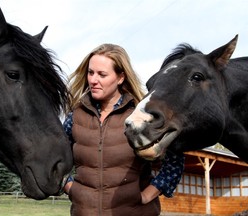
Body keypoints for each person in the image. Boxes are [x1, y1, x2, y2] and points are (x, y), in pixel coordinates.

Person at [63, 43, 184, 216]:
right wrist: (70, 187)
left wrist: (146, 195)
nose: (93, 80)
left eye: (102, 74)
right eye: (91, 73)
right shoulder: (74, 117)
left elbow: (174, 161)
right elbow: (56, 157)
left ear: (120, 78)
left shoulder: (140, 116)